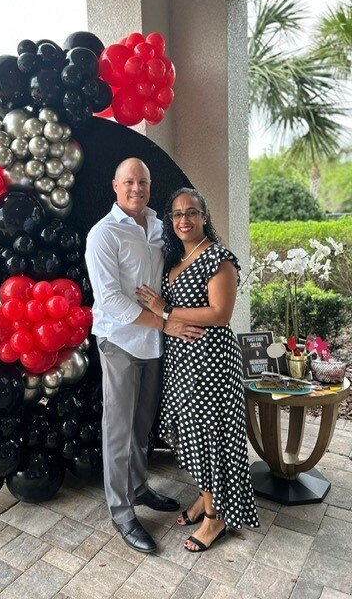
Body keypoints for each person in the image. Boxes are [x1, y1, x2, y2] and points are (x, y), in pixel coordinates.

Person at [85, 160, 205, 554]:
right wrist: (164, 324)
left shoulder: (158, 226)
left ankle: (138, 488)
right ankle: (122, 513)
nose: (137, 188)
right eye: (129, 182)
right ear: (116, 185)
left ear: (150, 187)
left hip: (153, 345)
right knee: (118, 431)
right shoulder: (103, 234)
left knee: (141, 427)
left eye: (143, 182)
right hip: (120, 342)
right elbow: (110, 301)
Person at [137, 187, 260, 553]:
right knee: (187, 433)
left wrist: (165, 311)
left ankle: (216, 516)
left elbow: (220, 314)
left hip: (211, 364)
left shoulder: (218, 258)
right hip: (181, 362)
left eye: (191, 212)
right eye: (176, 214)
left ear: (205, 216)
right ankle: (207, 499)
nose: (184, 219)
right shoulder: (175, 259)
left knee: (211, 438)